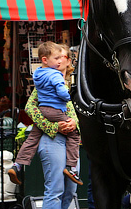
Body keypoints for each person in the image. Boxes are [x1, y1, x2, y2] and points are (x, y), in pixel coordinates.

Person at [9, 42, 82, 187]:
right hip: (52, 139)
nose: (60, 60)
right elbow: (30, 107)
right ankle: (71, 168)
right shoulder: (51, 79)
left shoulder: (71, 83)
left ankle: (17, 165)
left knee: (69, 192)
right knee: (55, 188)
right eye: (57, 57)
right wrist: (53, 127)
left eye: (63, 56)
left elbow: (76, 111)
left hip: (66, 136)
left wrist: (75, 122)